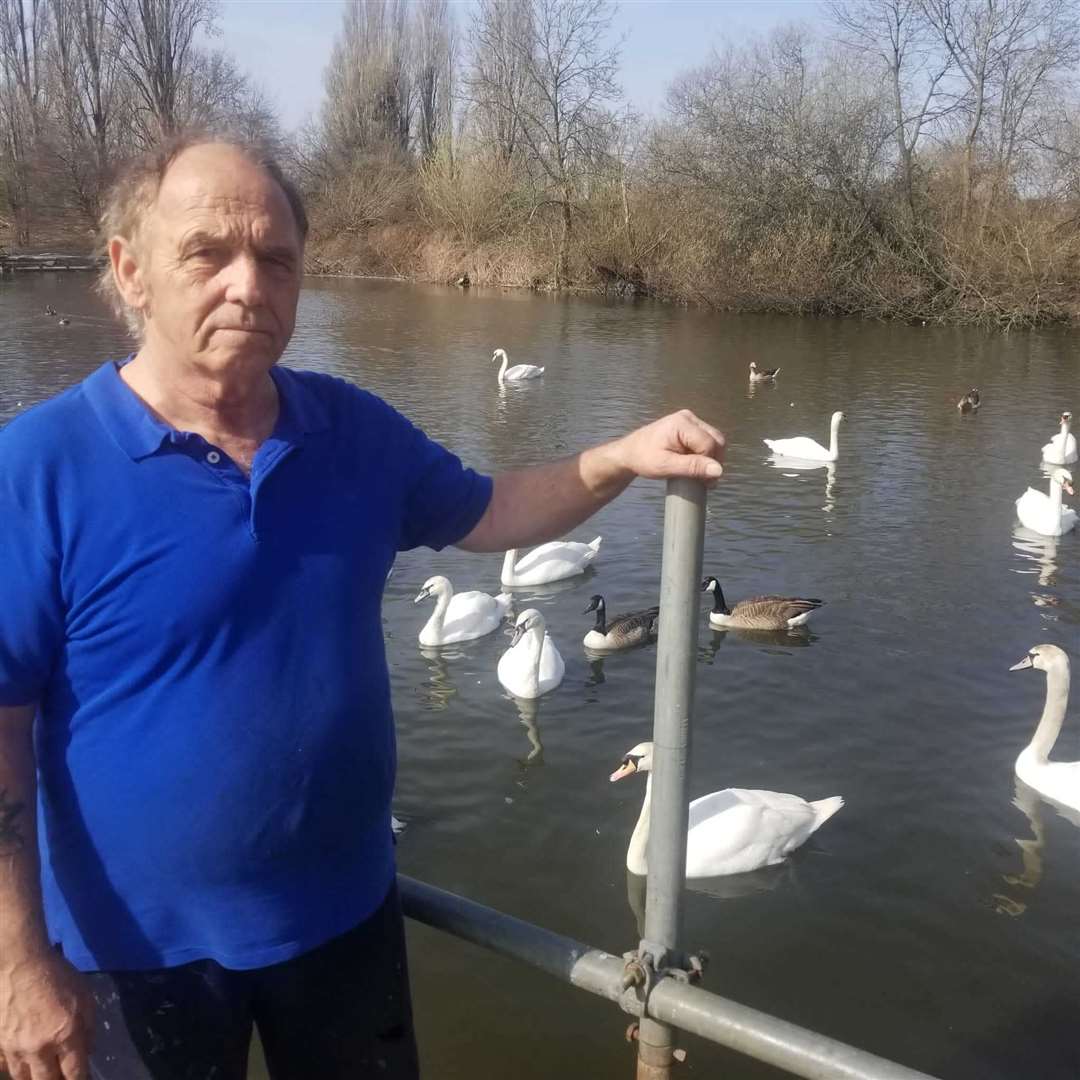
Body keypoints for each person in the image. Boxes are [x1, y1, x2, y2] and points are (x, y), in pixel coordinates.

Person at [0, 136, 725, 1080]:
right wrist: (16, 962)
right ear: (131, 272)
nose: (248, 285)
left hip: (341, 924)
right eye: (207, 253)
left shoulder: (348, 431)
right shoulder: (37, 469)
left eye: (276, 259)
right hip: (128, 960)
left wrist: (620, 458)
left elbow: (493, 509)